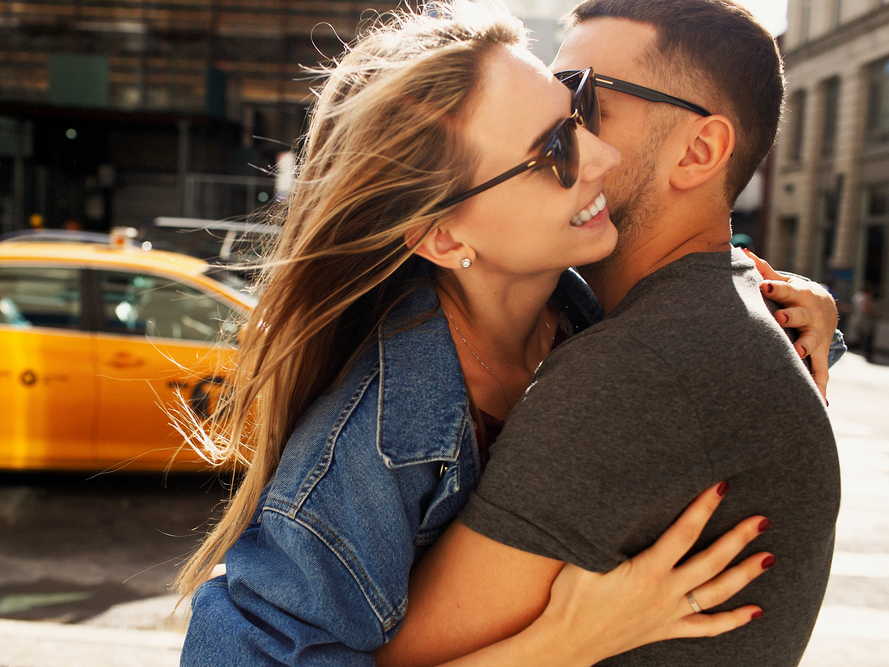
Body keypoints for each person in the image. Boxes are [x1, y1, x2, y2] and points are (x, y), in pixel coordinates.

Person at [177, 2, 839, 665]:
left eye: (582, 106)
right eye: (556, 146)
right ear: (444, 235)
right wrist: (562, 643)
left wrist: (804, 316)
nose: (600, 153)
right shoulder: (375, 429)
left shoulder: (586, 322)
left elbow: (702, 350)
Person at [374, 2, 841, 666]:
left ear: (699, 151)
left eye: (584, 100)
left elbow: (393, 659)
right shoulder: (731, 312)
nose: (567, 132)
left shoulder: (644, 366)